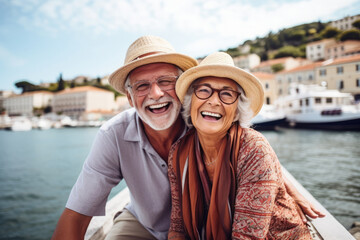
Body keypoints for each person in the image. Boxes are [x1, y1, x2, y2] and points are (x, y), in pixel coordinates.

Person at [52, 36, 323, 240]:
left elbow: (251, 150)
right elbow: (76, 215)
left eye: (166, 81)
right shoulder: (117, 135)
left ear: (182, 89)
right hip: (145, 223)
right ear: (129, 97)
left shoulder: (202, 120)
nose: (156, 93)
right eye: (142, 85)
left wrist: (288, 186)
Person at [167, 52, 312, 239]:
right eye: (203, 90)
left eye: (226, 94)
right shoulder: (178, 153)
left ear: (237, 110)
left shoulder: (253, 149)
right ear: (190, 100)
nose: (213, 101)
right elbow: (178, 228)